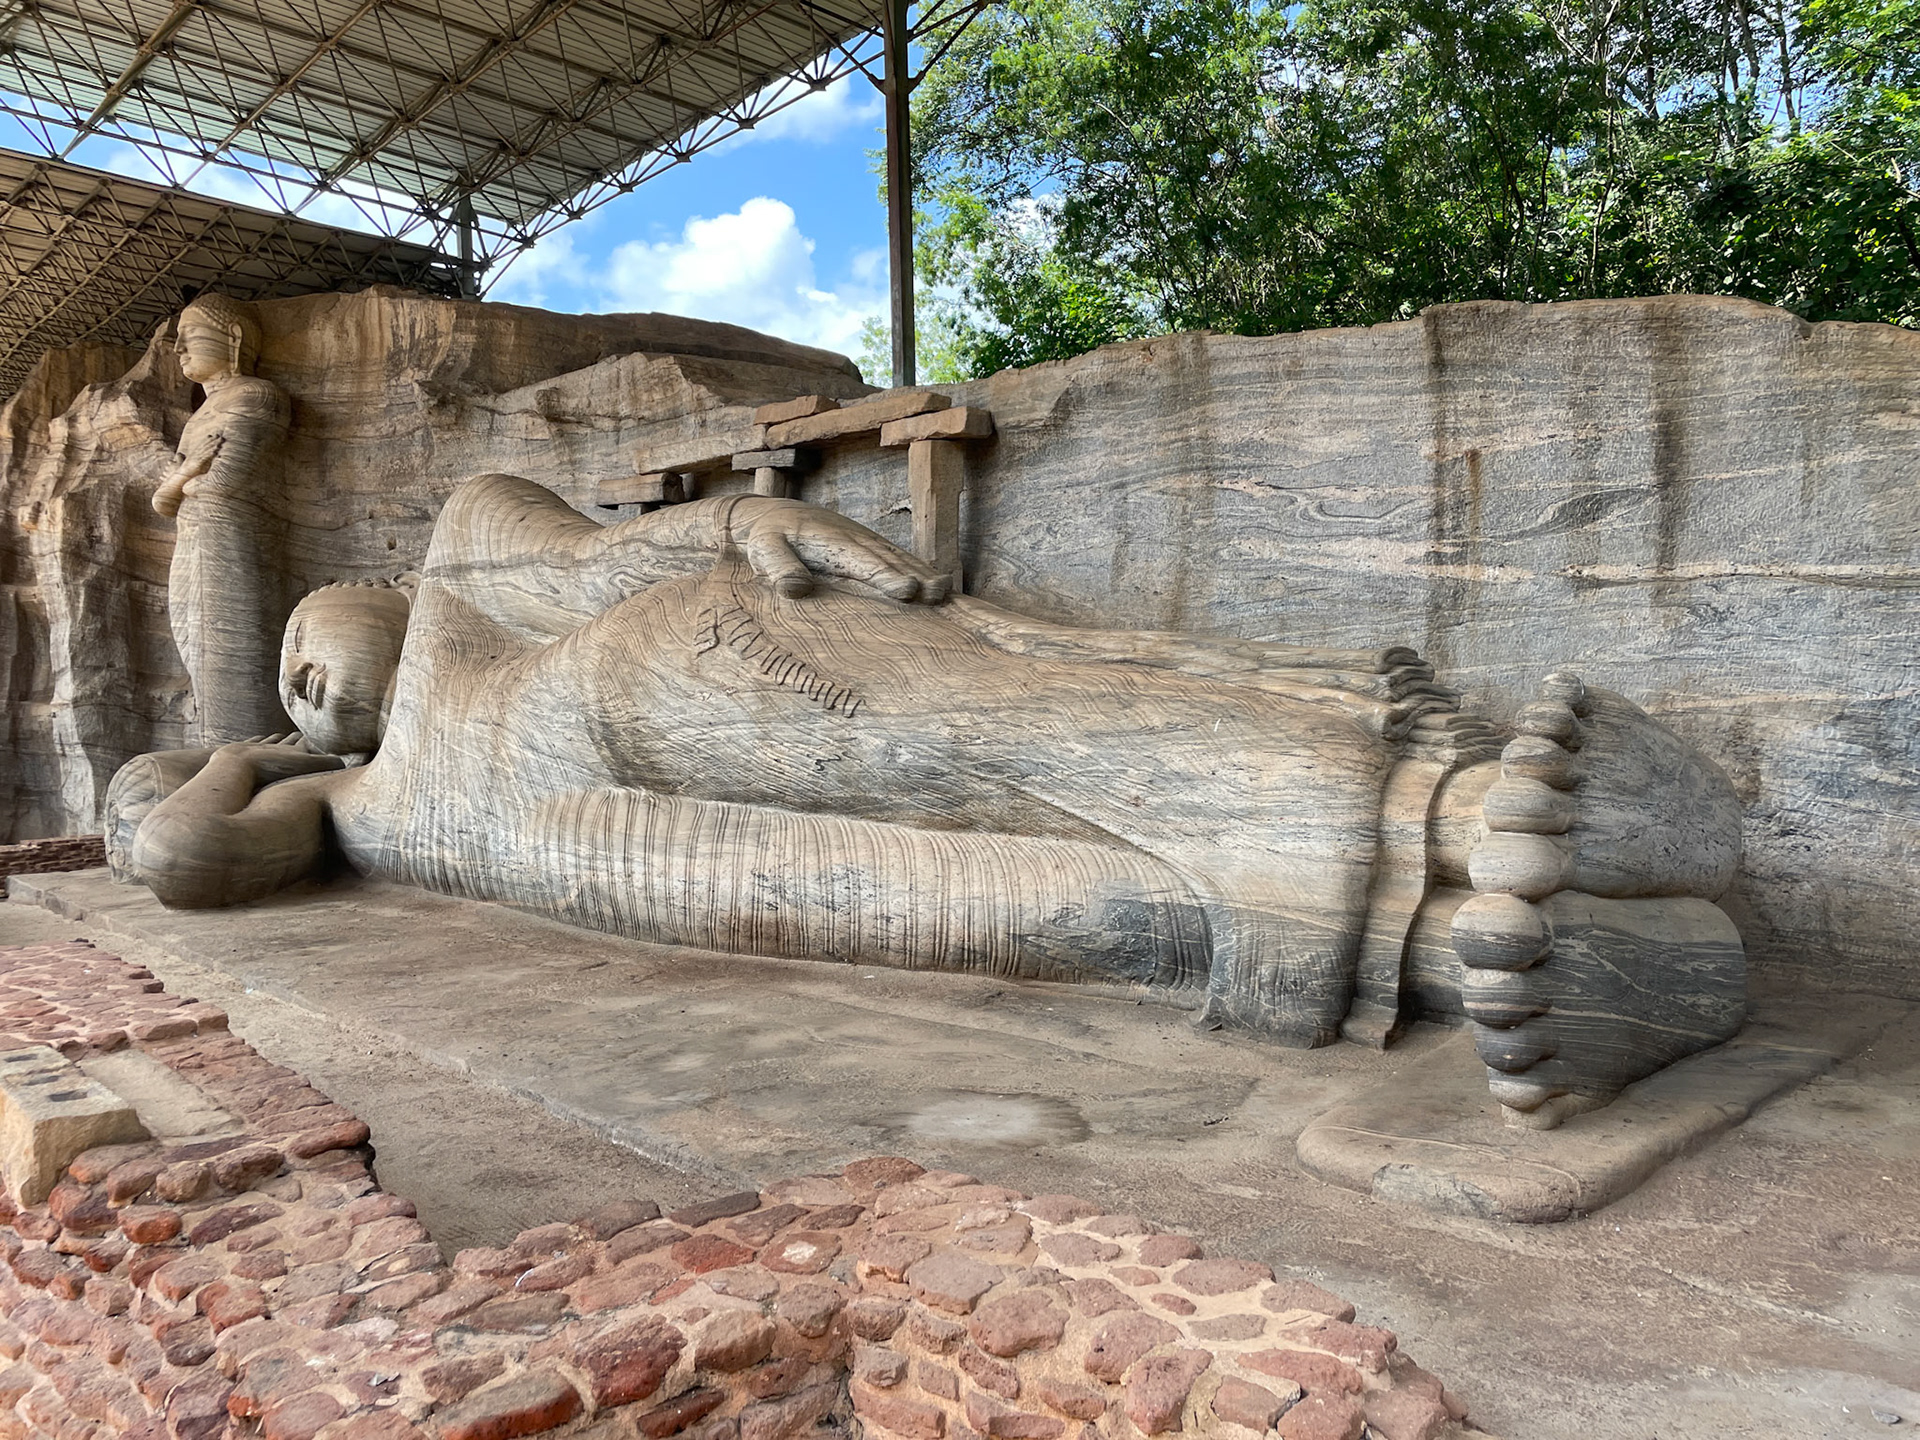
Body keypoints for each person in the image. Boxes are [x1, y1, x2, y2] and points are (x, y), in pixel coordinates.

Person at [109, 475, 1748, 1126]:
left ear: (379, 592)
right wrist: (253, 760)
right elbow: (183, 855)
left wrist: (739, 520)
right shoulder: (356, 807)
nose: (303, 684)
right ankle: (1484, 961)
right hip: (636, 856)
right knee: (1035, 912)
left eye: (310, 643)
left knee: (1015, 745)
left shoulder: (465, 567)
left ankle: (1472, 806)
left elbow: (594, 555)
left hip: (664, 675)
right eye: (284, 698)